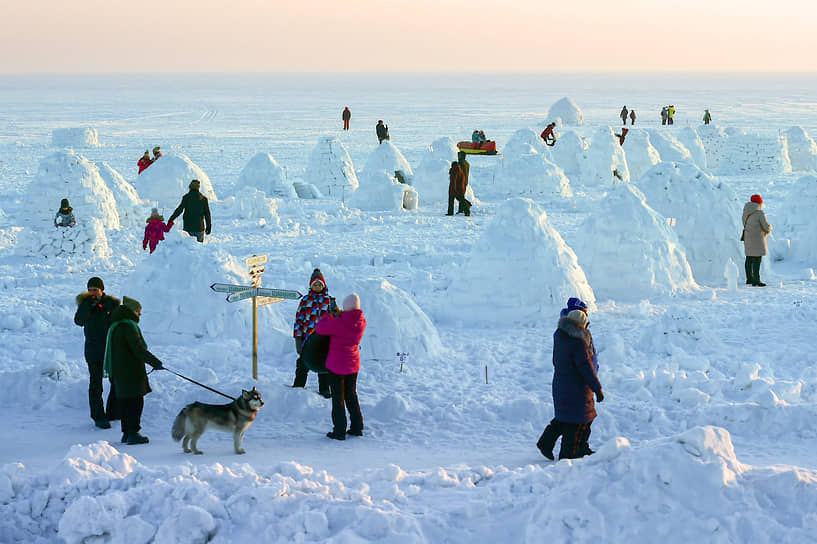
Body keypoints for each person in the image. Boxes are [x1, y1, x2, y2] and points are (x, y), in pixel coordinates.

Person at [536, 299, 603, 460]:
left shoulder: (560, 336)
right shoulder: (578, 342)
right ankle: (569, 454)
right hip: (577, 389)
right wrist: (597, 389)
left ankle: (546, 442)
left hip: (561, 386)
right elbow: (586, 369)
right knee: (579, 422)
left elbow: (556, 361)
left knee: (564, 418)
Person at [104, 296, 163, 445]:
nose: (140, 314)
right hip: (131, 371)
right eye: (138, 311)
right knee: (135, 402)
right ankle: (133, 433)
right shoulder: (128, 326)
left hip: (120, 370)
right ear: (132, 311)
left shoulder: (117, 325)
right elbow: (138, 349)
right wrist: (155, 362)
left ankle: (126, 432)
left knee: (125, 402)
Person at [317, 294, 367, 440]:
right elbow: (348, 319)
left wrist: (329, 316)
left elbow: (320, 329)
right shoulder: (361, 321)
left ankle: (339, 431)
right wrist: (340, 315)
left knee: (338, 399)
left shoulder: (338, 323)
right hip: (353, 365)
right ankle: (357, 427)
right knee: (351, 396)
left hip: (337, 365)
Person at [74, 277, 121, 429]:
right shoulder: (85, 304)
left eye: (95, 289)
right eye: (90, 290)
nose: (92, 292)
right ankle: (98, 416)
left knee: (116, 382)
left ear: (102, 289)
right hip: (93, 351)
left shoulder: (112, 304)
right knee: (96, 384)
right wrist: (88, 306)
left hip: (110, 350)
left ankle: (113, 412)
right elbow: (78, 321)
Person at [292, 269, 332, 397]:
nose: (317, 286)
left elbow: (335, 321)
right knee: (303, 362)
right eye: (315, 284)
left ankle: (325, 389)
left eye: (320, 284)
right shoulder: (305, 300)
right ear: (311, 285)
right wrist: (298, 338)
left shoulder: (329, 301)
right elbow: (299, 320)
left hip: (323, 339)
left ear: (324, 286)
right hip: (307, 338)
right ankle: (298, 385)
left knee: (324, 364)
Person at [742, 194, 773, 287]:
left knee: (749, 258)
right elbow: (766, 227)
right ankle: (756, 280)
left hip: (747, 237)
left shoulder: (745, 211)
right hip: (757, 239)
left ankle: (749, 279)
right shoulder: (760, 213)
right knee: (757, 259)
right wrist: (770, 228)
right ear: (759, 202)